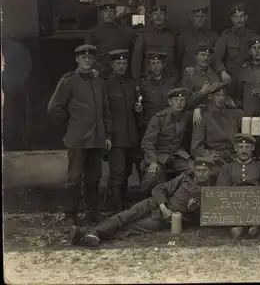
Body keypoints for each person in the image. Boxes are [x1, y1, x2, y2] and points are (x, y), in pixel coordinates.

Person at [69, 157, 215, 247]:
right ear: (195, 171)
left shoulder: (211, 192)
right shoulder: (184, 178)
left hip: (168, 219)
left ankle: (90, 236)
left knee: (131, 228)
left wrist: (194, 210)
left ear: (210, 172)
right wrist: (163, 206)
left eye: (205, 171)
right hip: (156, 203)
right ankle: (92, 233)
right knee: (125, 215)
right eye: (199, 170)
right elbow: (159, 189)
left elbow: (203, 218)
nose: (202, 173)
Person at [47, 44, 113, 226]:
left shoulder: (99, 83)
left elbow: (106, 111)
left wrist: (108, 136)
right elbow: (54, 108)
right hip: (77, 139)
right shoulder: (68, 81)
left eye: (91, 58)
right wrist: (71, 122)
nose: (87, 61)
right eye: (84, 58)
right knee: (74, 177)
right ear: (77, 59)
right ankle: (71, 215)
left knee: (94, 178)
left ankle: (92, 214)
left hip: (97, 139)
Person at [217, 133, 260, 238]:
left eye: (247, 147)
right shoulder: (227, 167)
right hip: (234, 203)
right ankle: (241, 225)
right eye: (241, 147)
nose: (244, 150)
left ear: (253, 148)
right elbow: (221, 190)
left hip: (256, 202)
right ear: (235, 148)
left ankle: (251, 225)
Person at [140, 87, 196, 196]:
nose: (179, 103)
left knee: (194, 169)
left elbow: (201, 105)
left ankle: (178, 197)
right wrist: (152, 161)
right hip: (159, 156)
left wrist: (199, 110)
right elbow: (148, 142)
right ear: (169, 102)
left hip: (177, 155)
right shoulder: (159, 118)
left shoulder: (185, 117)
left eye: (182, 100)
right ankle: (149, 203)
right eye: (176, 100)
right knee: (152, 178)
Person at [105, 49, 140, 213]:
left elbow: (136, 109)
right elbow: (105, 112)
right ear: (112, 64)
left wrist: (138, 108)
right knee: (117, 172)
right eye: (118, 63)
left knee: (126, 170)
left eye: (124, 63)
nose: (121, 66)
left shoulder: (132, 84)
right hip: (116, 136)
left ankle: (122, 202)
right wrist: (108, 135)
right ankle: (117, 208)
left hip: (131, 135)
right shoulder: (106, 85)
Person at [191, 86, 244, 181]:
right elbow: (196, 148)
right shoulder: (202, 116)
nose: (221, 98)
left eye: (223, 95)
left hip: (234, 156)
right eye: (217, 95)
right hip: (215, 159)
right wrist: (209, 155)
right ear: (210, 97)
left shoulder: (233, 113)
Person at [85, 0, 137, 79]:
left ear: (115, 13)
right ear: (101, 14)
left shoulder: (127, 32)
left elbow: (134, 56)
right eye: (106, 11)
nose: (108, 14)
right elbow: (88, 56)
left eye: (111, 11)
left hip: (121, 74)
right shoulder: (93, 33)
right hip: (100, 75)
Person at [178, 6, 229, 85]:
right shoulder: (183, 37)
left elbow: (216, 56)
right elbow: (179, 58)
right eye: (197, 17)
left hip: (208, 77)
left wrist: (222, 71)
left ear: (206, 18)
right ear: (192, 18)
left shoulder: (213, 36)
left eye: (202, 17)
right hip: (189, 76)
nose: (200, 19)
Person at [213, 3, 255, 97]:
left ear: (246, 17)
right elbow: (216, 56)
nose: (239, 19)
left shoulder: (252, 36)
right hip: (231, 77)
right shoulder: (226, 36)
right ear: (232, 19)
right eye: (236, 17)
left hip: (249, 76)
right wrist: (222, 71)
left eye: (241, 16)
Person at [131, 5, 178, 82]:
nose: (158, 17)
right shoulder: (144, 36)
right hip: (149, 80)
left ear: (166, 17)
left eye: (161, 14)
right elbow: (136, 62)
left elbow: (178, 60)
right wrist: (136, 82)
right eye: (155, 14)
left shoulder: (173, 36)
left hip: (169, 80)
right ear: (151, 17)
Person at [182, 43, 231, 107]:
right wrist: (202, 93)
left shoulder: (216, 74)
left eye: (208, 55)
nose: (206, 58)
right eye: (202, 55)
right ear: (195, 56)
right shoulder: (190, 74)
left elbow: (223, 94)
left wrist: (228, 99)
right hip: (196, 112)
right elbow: (186, 101)